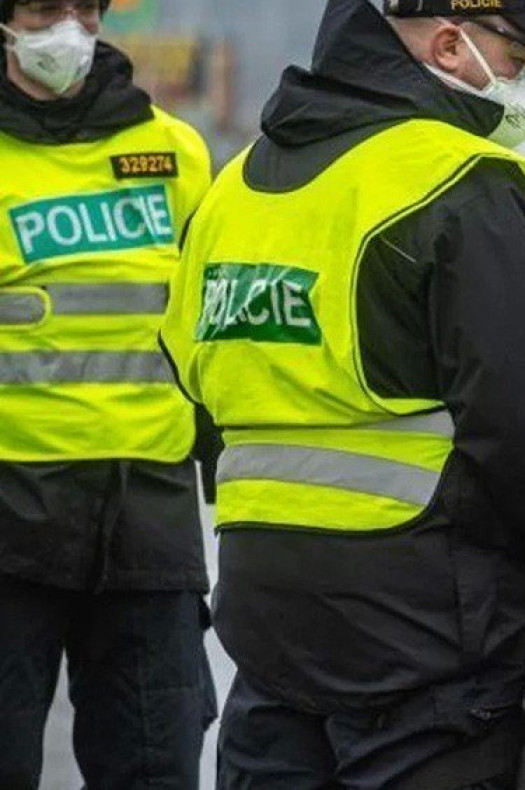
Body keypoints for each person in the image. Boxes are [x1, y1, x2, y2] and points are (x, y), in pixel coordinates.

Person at [158, 0, 525, 787]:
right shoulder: (467, 186)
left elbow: (194, 384)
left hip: (268, 637)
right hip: (430, 653)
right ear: (452, 45)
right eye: (519, 58)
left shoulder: (235, 189)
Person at [0, 0, 217, 786]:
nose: (69, 28)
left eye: (85, 9)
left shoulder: (176, 153)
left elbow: (213, 323)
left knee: (156, 770)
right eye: (46, 9)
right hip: (9, 516)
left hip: (147, 523)